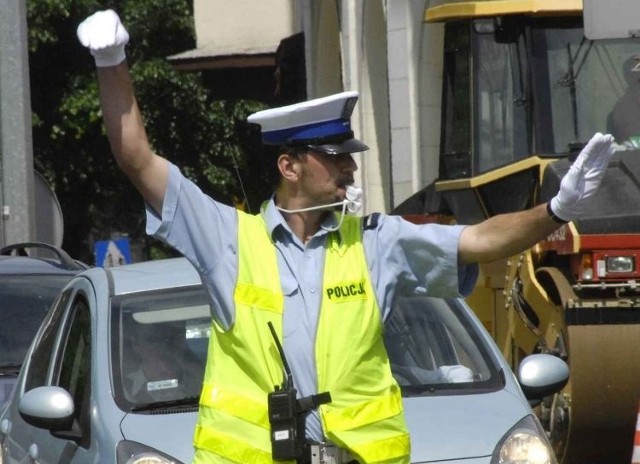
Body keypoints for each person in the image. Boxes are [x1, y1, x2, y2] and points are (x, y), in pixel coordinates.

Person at [76, 9, 615, 464]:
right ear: (289, 165)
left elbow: (480, 240)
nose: (349, 171)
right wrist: (112, 64)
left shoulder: (377, 241)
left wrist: (556, 208)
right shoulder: (227, 238)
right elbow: (137, 159)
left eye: (349, 159)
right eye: (334, 159)